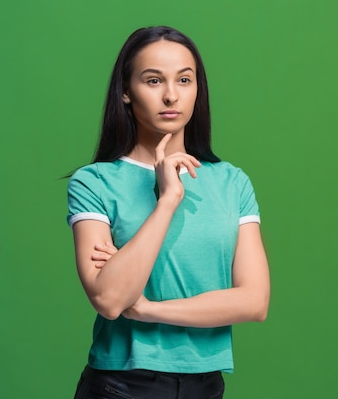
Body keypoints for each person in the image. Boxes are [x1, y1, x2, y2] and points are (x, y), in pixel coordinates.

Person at [67, 26, 270, 399]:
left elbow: (254, 301)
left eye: (185, 80)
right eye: (153, 80)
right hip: (122, 384)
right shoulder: (94, 183)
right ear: (126, 91)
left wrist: (147, 308)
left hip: (206, 384)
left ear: (198, 90)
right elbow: (110, 300)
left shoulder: (232, 182)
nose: (171, 95)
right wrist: (168, 200)